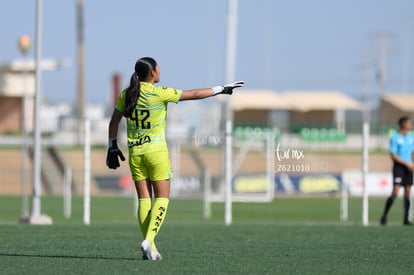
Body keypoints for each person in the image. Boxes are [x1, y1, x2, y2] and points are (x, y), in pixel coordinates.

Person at [106, 57, 244, 260]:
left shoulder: (126, 94)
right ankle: (148, 241)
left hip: (135, 153)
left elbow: (114, 120)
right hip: (157, 153)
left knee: (144, 199)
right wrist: (221, 89)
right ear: (153, 72)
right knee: (162, 198)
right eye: (158, 68)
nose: (160, 70)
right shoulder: (160, 93)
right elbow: (195, 94)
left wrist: (112, 146)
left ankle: (150, 247)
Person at [380, 116, 414, 226]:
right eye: (409, 123)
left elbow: (412, 152)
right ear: (403, 125)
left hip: (409, 167)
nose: (411, 125)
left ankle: (406, 219)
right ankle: (384, 216)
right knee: (395, 191)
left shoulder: (411, 137)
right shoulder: (395, 137)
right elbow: (393, 155)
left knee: (408, 191)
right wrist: (406, 163)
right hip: (399, 167)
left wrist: (412, 163)